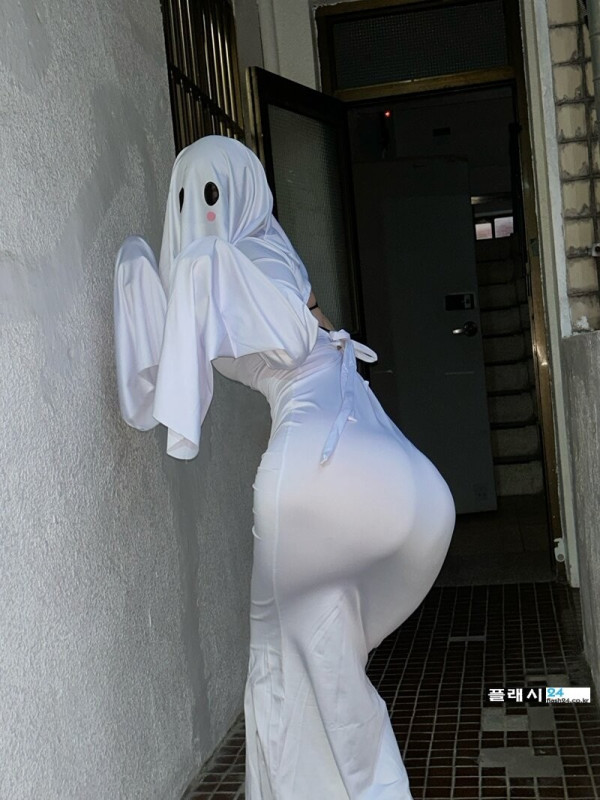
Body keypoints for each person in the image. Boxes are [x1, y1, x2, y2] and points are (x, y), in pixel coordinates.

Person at [114, 135, 456, 799]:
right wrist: (152, 275)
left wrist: (173, 268)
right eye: (188, 197)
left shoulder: (229, 262)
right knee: (314, 654)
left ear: (243, 190)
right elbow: (305, 328)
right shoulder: (267, 253)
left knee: (286, 661)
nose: (200, 212)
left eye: (213, 193)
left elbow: (279, 331)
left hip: (305, 470)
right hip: (354, 456)